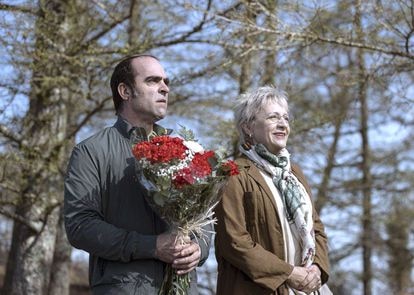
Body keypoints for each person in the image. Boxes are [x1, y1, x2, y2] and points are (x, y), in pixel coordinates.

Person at [64, 54, 211, 294]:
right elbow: (80, 226)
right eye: (153, 81)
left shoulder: (185, 151)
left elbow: (204, 217)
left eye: (166, 82)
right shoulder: (91, 151)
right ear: (125, 91)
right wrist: (150, 246)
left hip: (182, 287)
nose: (164, 88)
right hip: (124, 288)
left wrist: (198, 248)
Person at [214, 86, 331, 295]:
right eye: (273, 117)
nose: (282, 124)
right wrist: (288, 273)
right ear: (248, 127)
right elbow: (234, 242)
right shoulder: (233, 173)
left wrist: (317, 268)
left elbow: (318, 228)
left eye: (286, 118)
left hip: (307, 289)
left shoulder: (295, 173)